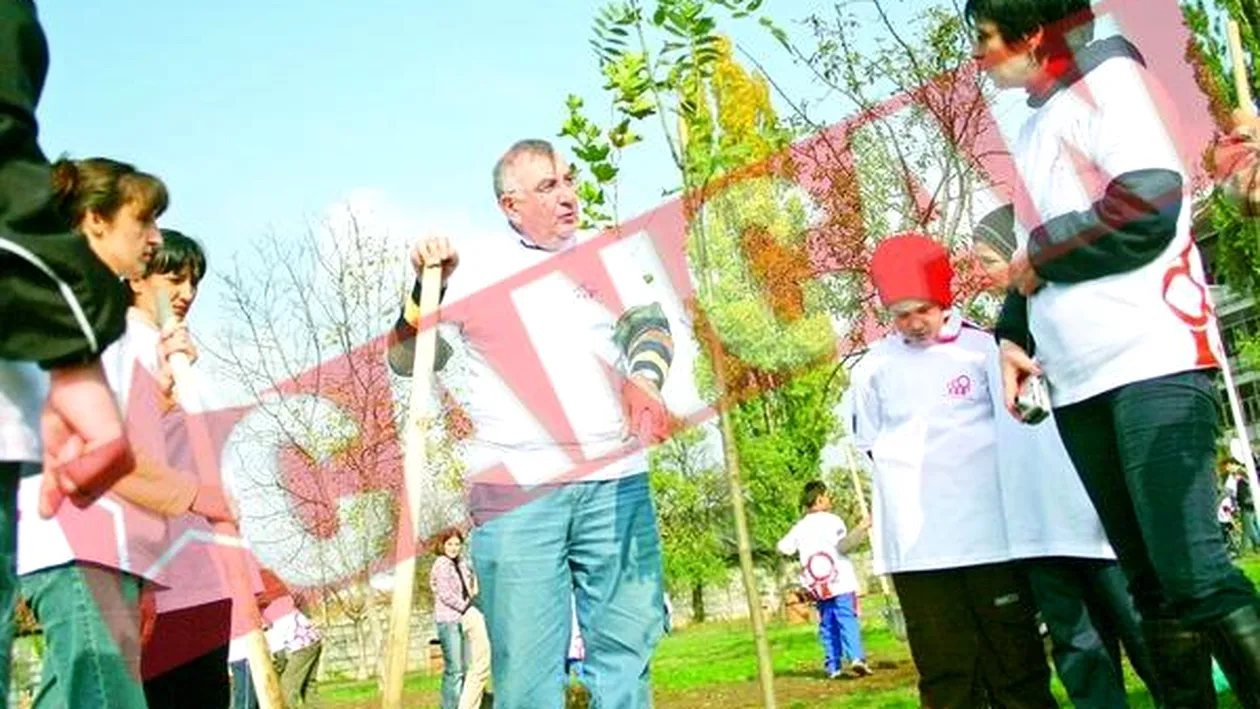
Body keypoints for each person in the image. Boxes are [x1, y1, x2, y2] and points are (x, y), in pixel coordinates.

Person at [968, 0, 1260, 703]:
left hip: (1151, 361)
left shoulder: (1107, 79)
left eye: (984, 39)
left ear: (1031, 34)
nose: (976, 56)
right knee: (1151, 587)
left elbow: (1148, 204)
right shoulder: (1037, 124)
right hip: (1081, 381)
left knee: (1193, 572)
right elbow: (1039, 254)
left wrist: (1037, 252)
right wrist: (1013, 330)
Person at [387, 138, 674, 709]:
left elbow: (650, 327)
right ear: (510, 205)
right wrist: (425, 285)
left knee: (626, 658)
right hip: (517, 492)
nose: (568, 195)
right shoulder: (473, 270)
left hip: (616, 484)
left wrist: (644, 377)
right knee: (525, 676)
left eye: (568, 180)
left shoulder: (607, 253)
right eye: (549, 186)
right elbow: (406, 359)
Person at [15, 158, 234, 709]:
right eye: (144, 224)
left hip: (106, 552)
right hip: (78, 547)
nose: (155, 238)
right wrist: (199, 496)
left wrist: (160, 391)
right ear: (95, 222)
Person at [850, 233, 1055, 708]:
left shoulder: (984, 349)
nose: (915, 323)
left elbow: (1016, 429)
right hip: (920, 553)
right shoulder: (872, 368)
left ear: (944, 300)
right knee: (945, 674)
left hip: (991, 540)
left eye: (924, 309)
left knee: (1016, 665)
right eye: (901, 315)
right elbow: (871, 445)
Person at [974, 205, 1160, 708]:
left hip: (1097, 518)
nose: (982, 271)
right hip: (1038, 526)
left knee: (1147, 634)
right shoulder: (989, 340)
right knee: (1079, 651)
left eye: (990, 258)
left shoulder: (1064, 311)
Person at [131, 230, 238, 709]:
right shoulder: (119, 350)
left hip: (203, 570)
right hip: (155, 573)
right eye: (175, 278)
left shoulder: (183, 353)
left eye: (194, 281)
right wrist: (140, 574)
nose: (187, 293)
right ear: (136, 277)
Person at [776, 480, 872, 679]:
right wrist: (861, 529)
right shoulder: (833, 521)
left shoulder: (800, 527)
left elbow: (783, 547)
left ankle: (833, 666)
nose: (830, 499)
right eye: (828, 496)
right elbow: (843, 546)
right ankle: (856, 657)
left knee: (827, 623)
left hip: (817, 583)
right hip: (840, 580)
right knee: (846, 617)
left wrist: (804, 555)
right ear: (819, 499)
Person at [430, 528, 476, 709]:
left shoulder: (461, 564)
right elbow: (445, 594)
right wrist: (466, 607)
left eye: (457, 544)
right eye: (450, 544)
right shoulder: (442, 564)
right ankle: (450, 706)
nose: (454, 548)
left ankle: (464, 704)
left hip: (463, 619)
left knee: (465, 668)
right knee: (454, 669)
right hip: (449, 621)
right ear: (442, 545)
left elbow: (469, 586)